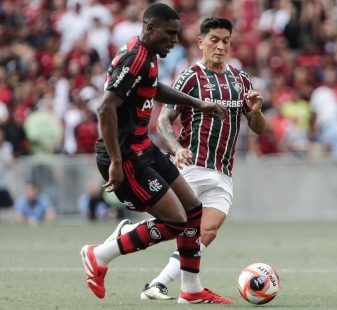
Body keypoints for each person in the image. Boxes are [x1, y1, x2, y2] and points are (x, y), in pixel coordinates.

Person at [104, 16, 267, 300]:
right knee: (178, 223)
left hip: (223, 172)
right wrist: (176, 148)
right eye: (214, 40)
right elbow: (164, 120)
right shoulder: (191, 76)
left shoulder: (240, 80)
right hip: (191, 167)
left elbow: (258, 128)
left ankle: (161, 283)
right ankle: (133, 240)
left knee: (207, 231)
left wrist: (255, 112)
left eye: (226, 41)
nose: (220, 46)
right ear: (201, 42)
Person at [79, 3, 232, 304]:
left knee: (193, 211)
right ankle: (98, 254)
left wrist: (198, 104)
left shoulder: (147, 55)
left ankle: (190, 289)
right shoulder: (135, 57)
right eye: (170, 34)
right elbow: (105, 107)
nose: (174, 41)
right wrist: (116, 161)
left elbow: (152, 88)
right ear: (150, 28)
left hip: (143, 149)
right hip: (126, 156)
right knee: (176, 221)